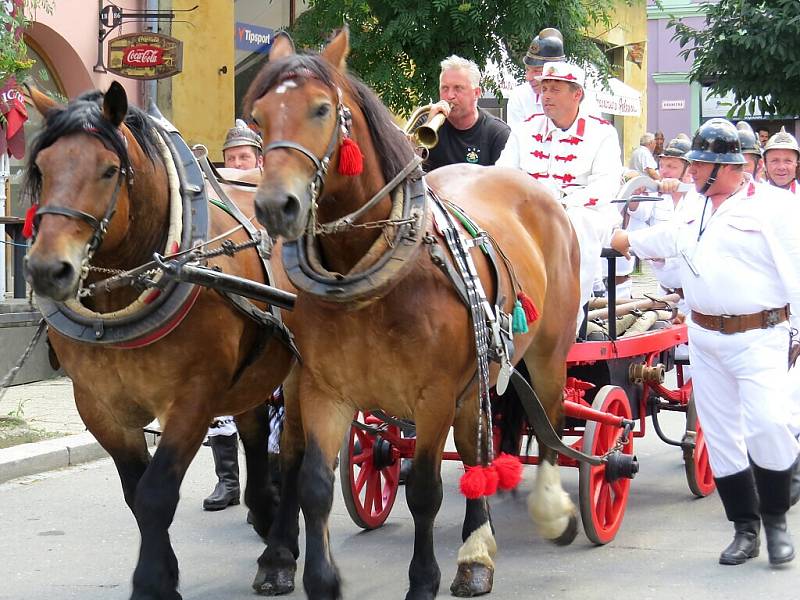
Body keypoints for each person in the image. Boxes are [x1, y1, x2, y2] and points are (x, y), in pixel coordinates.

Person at [611, 118, 800, 567]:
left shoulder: (775, 207)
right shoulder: (695, 206)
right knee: (721, 435)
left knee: (770, 424)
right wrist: (625, 240)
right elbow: (670, 239)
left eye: (700, 165)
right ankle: (745, 528)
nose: (690, 172)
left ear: (730, 168)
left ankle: (775, 519)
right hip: (704, 336)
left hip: (760, 334)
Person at [497, 61, 622, 329]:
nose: (547, 96)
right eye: (544, 89)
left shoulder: (602, 133)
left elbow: (606, 185)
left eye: (555, 89)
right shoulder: (524, 129)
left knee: (578, 223)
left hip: (583, 213)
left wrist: (561, 206)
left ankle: (569, 318)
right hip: (528, 210)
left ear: (577, 94)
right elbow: (503, 174)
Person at [202, 120, 266, 512]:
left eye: (244, 156)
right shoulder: (215, 193)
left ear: (258, 158)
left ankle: (272, 471)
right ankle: (227, 479)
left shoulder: (268, 185)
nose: (237, 163)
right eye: (231, 157)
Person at [422, 55, 510, 172]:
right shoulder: (426, 122)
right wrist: (427, 127)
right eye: (444, 88)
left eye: (458, 88)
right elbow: (403, 170)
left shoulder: (497, 133)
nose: (450, 96)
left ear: (477, 93)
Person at [506, 28, 565, 126]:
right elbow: (517, 138)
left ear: (557, 69)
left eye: (537, 71)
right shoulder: (520, 96)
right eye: (527, 69)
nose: (528, 77)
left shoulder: (582, 99)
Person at [763, 127, 800, 194]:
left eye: (788, 161)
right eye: (774, 161)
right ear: (765, 164)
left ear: (797, 164)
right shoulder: (752, 198)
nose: (781, 167)